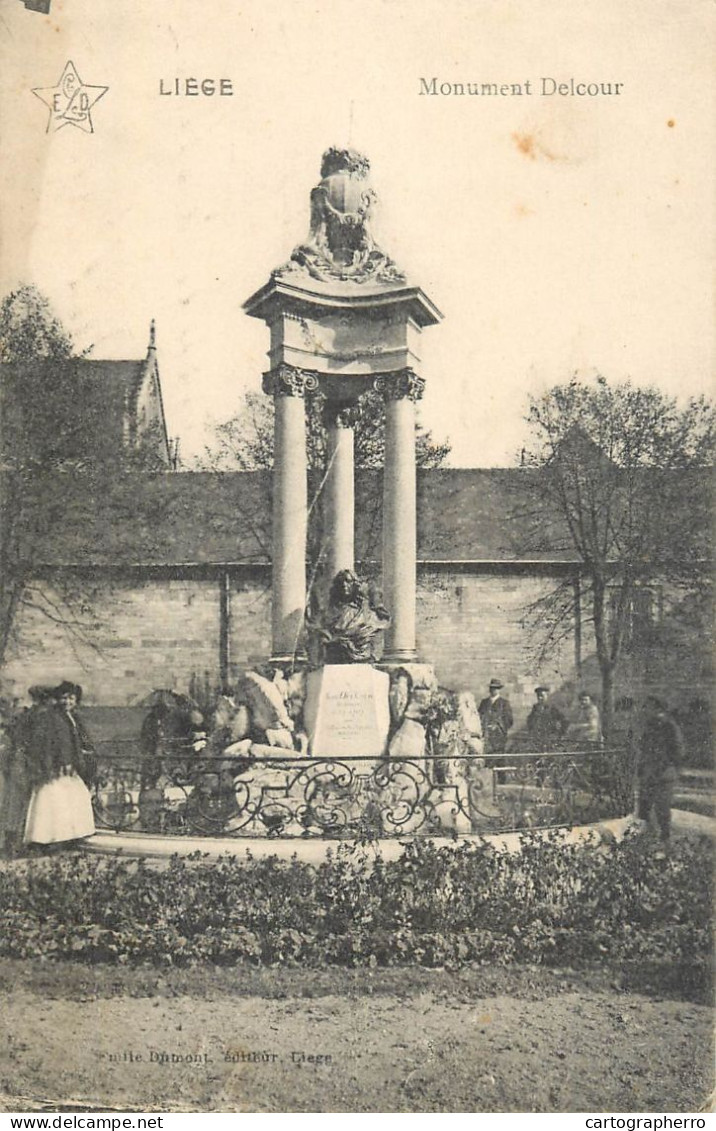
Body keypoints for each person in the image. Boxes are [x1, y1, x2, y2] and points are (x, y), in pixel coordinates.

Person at [23, 681, 96, 849]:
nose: (67, 702)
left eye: (71, 698)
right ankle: (45, 838)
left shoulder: (72, 717)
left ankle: (71, 835)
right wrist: (59, 762)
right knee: (53, 800)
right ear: (58, 699)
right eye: (64, 698)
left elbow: (75, 741)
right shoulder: (52, 717)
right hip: (57, 766)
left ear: (76, 700)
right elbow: (49, 743)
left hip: (70, 765)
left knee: (75, 798)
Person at [0, 686, 53, 855]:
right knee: (20, 804)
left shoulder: (26, 716)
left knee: (14, 804)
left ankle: (11, 845)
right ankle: (14, 846)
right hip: (25, 764)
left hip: (18, 763)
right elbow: (37, 745)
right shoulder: (38, 717)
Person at [636, 696, 684, 843]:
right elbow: (643, 747)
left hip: (664, 773)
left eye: (649, 706)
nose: (645, 710)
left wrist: (667, 767)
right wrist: (642, 767)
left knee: (662, 809)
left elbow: (678, 750)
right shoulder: (649, 725)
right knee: (643, 808)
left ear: (659, 708)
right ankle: (644, 840)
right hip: (649, 772)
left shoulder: (669, 726)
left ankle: (665, 840)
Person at [478, 679, 514, 755]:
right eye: (492, 688)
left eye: (496, 688)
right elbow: (479, 717)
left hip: (498, 737)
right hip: (486, 736)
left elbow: (509, 720)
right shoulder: (484, 702)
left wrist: (498, 726)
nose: (493, 690)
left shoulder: (504, 703)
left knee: (498, 757)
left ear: (499, 690)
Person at [526, 686, 567, 752]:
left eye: (542, 696)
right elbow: (530, 720)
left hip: (550, 737)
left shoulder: (552, 707)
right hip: (538, 737)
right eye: (538, 696)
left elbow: (563, 720)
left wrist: (560, 734)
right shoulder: (535, 707)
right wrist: (531, 730)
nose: (540, 698)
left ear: (547, 696)